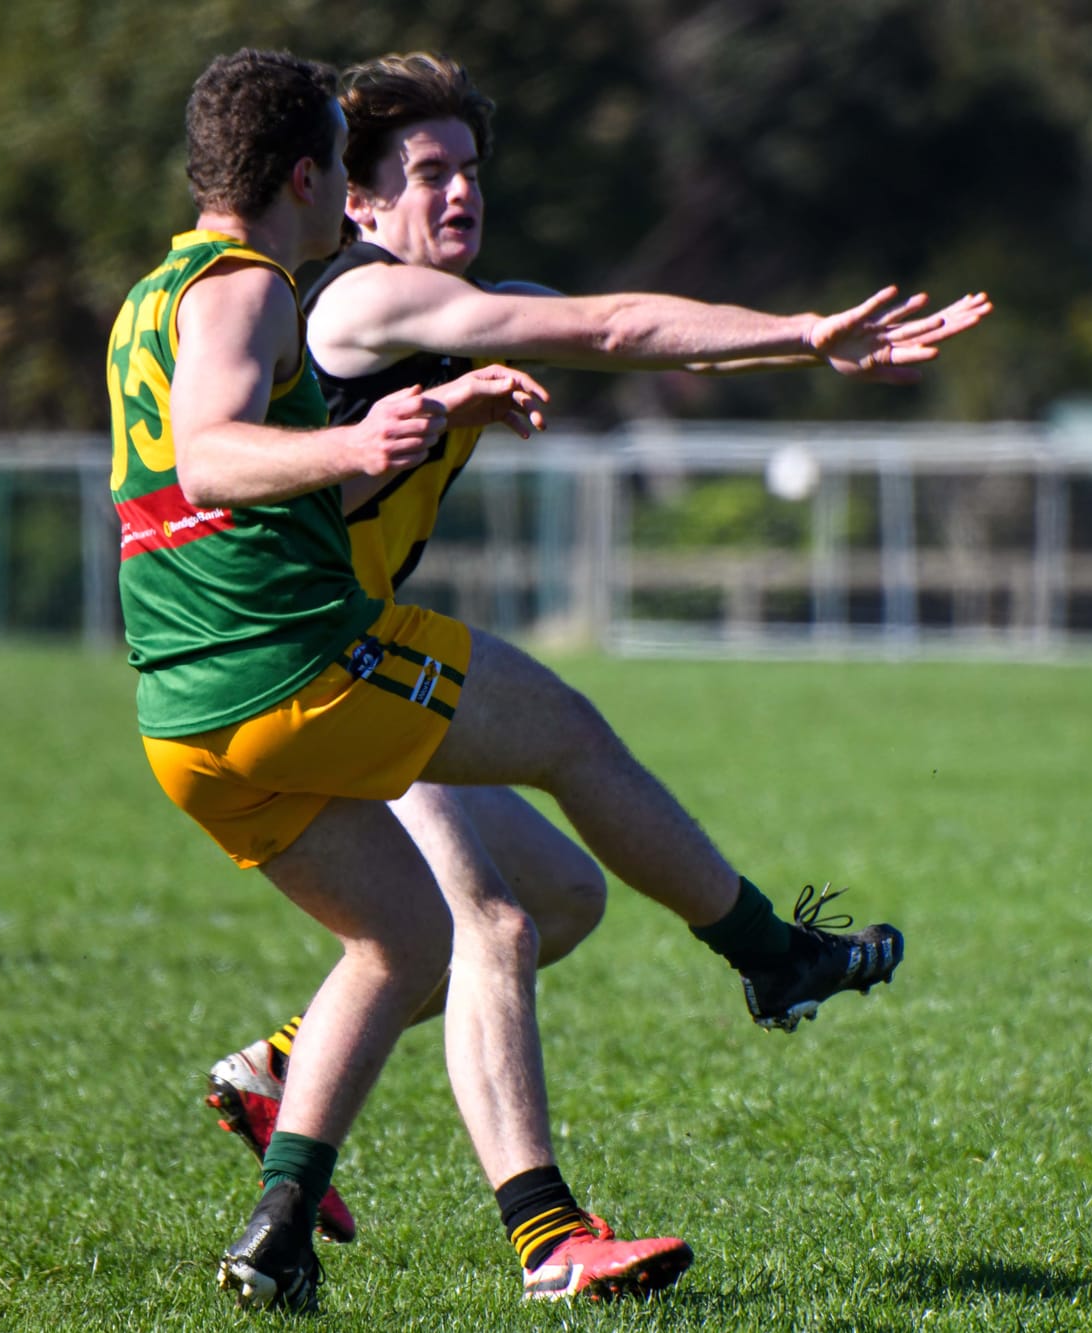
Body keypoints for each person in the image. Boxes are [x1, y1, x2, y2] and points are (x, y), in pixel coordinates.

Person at [113, 49, 918, 1312]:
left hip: (220, 696)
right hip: (315, 663)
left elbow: (630, 327)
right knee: (497, 897)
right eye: (425, 172)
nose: (457, 196)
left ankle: (280, 1169)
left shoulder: (416, 309)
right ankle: (562, 1216)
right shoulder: (351, 303)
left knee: (556, 893)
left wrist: (800, 339)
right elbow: (235, 458)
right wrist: (389, 430)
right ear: (347, 198)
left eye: (469, 171)